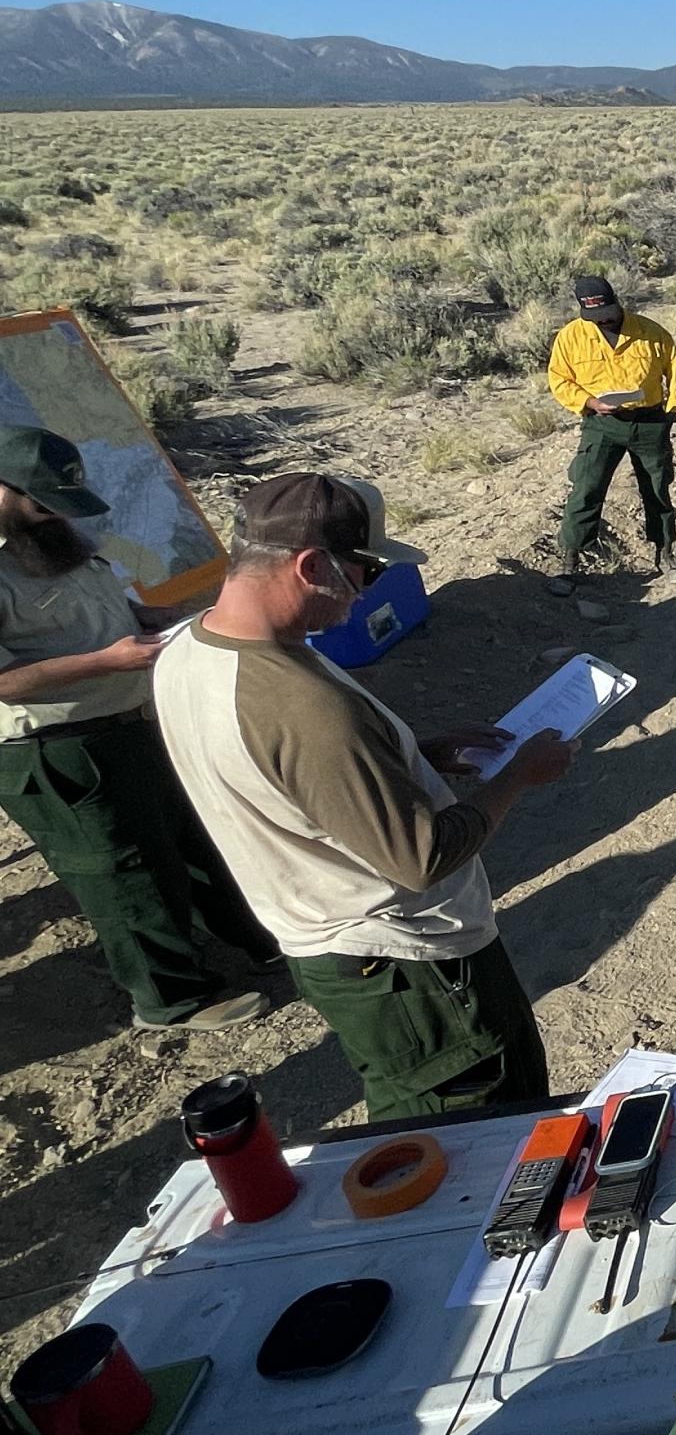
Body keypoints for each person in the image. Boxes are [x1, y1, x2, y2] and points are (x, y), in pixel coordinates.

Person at [154, 475, 570, 1120]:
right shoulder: (301, 704)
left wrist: (412, 754)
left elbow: (281, 774)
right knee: (471, 1137)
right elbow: (423, 858)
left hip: (335, 946)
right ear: (313, 565)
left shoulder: (189, 646)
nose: (367, 592)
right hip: (406, 965)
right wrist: (519, 776)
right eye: (367, 573)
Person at [0, 425, 272, 1033]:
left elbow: (99, 606)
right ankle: (171, 1000)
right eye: (44, 503)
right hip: (55, 747)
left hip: (132, 716)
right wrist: (106, 661)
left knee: (192, 835)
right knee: (123, 873)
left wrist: (153, 620)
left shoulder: (51, 532)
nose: (55, 516)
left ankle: (253, 937)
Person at [546, 274, 676, 587]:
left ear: (617, 301)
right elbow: (559, 379)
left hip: (650, 421)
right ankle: (569, 562)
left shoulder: (650, 331)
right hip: (602, 425)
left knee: (657, 488)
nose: (602, 321)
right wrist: (589, 401)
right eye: (594, 317)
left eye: (606, 313)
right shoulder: (571, 337)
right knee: (586, 488)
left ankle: (665, 552)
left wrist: (673, 410)